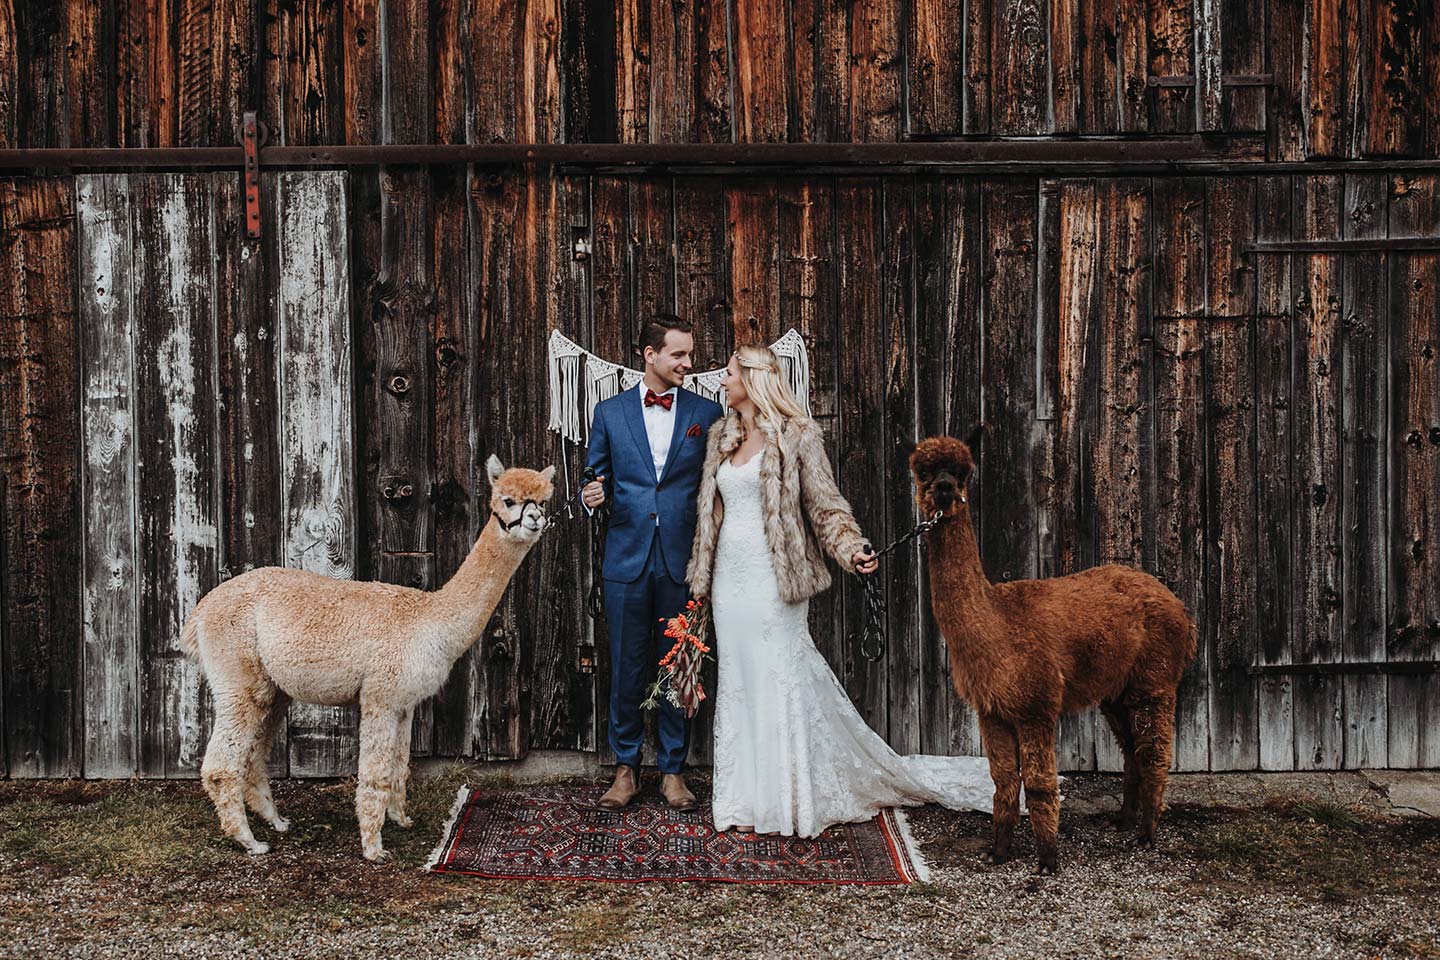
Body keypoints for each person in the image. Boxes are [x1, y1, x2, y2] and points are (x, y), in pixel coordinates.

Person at [686, 344, 996, 837]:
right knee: (740, 682)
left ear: (755, 378)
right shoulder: (722, 437)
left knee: (776, 675)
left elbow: (826, 507)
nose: (721, 382)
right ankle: (741, 799)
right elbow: (714, 514)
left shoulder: (798, 436)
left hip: (775, 580)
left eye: (728, 374)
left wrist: (853, 551)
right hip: (729, 579)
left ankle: (787, 799)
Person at [581, 314, 725, 811]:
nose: (689, 362)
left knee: (680, 664)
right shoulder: (609, 412)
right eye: (679, 354)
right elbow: (591, 475)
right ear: (650, 354)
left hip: (683, 561)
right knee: (625, 665)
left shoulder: (707, 414)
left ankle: (673, 770)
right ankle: (625, 768)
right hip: (626, 557)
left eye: (690, 354)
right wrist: (590, 493)